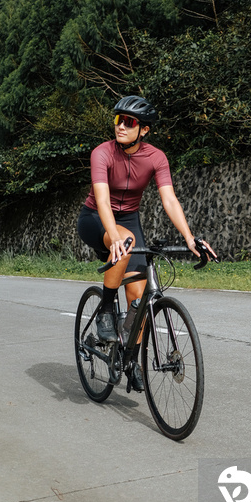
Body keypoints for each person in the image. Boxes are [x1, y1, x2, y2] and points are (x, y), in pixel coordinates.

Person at [77, 95, 217, 391]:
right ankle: (104, 308)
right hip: (95, 218)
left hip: (128, 219)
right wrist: (114, 237)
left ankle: (129, 361)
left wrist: (190, 238)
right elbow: (102, 199)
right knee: (125, 242)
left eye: (129, 122)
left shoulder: (156, 157)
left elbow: (169, 199)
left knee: (138, 298)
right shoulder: (102, 153)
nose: (121, 126)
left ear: (144, 130)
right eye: (118, 120)